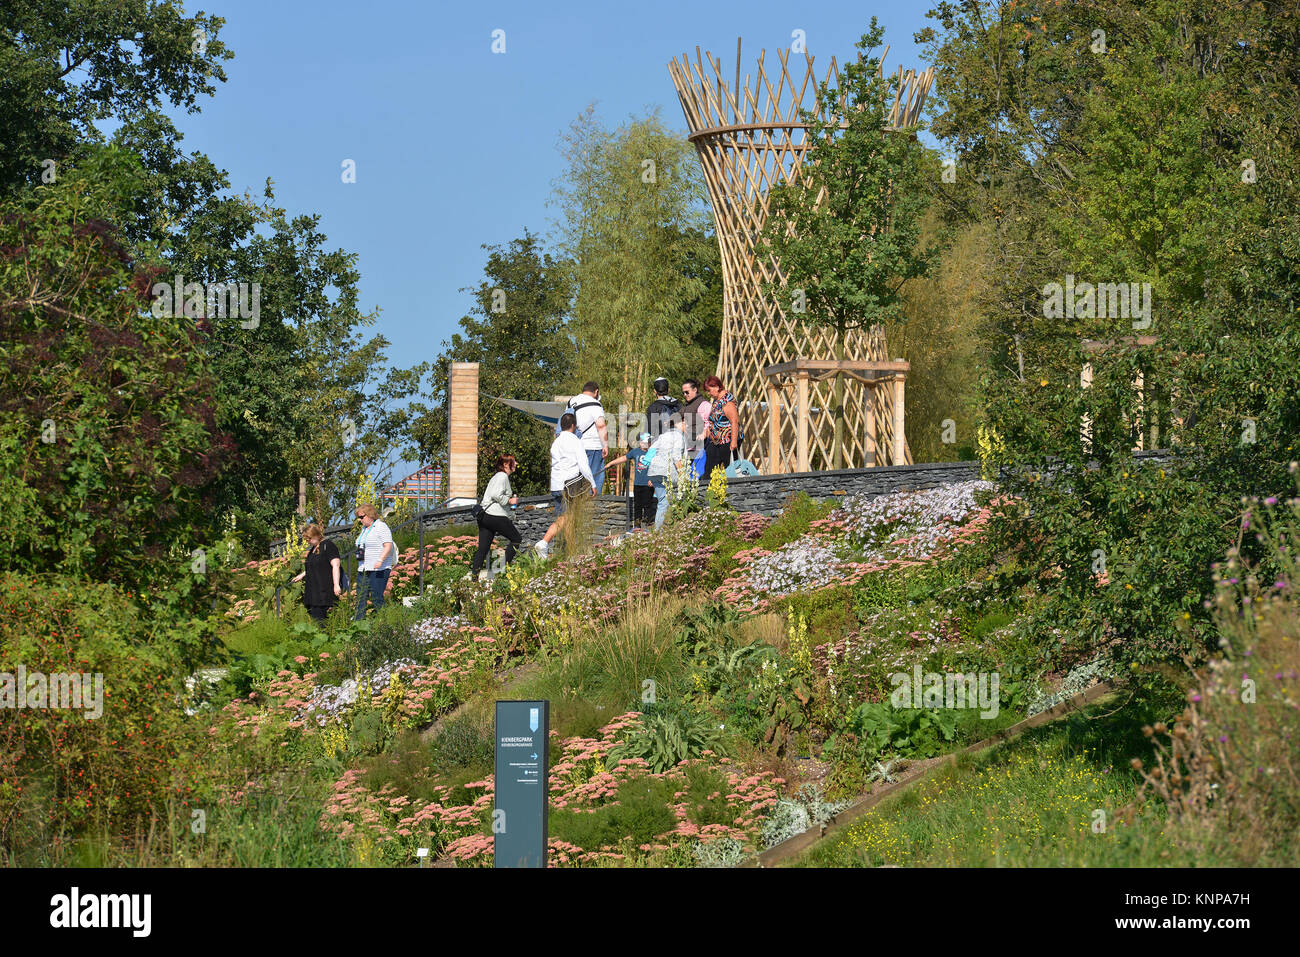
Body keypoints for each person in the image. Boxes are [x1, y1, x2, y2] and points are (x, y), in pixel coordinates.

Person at [535, 411, 597, 558]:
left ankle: (571, 552)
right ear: (573, 426)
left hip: (556, 485)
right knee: (565, 518)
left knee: (567, 518)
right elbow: (583, 465)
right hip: (569, 485)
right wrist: (593, 484)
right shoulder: (575, 441)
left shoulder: (556, 442)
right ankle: (544, 542)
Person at [471, 454, 523, 580]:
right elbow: (496, 495)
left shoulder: (496, 477)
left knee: (482, 549)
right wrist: (510, 501)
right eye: (513, 462)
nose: (516, 464)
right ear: (506, 465)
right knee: (516, 539)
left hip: (484, 516)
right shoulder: (502, 476)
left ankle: (473, 581)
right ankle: (502, 572)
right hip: (494, 515)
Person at [646, 413, 689, 530]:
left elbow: (651, 450)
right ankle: (662, 532)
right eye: (684, 422)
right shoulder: (679, 436)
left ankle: (658, 530)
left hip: (654, 471)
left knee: (662, 502)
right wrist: (683, 475)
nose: (687, 425)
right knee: (669, 502)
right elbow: (676, 456)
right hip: (667, 472)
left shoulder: (663, 435)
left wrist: (649, 471)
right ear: (677, 423)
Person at [291, 524, 343, 622]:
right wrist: (302, 575)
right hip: (313, 592)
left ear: (316, 535)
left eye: (309, 539)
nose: (308, 542)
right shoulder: (313, 549)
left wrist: (336, 585)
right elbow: (314, 566)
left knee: (325, 621)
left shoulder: (328, 545)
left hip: (324, 591)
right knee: (316, 619)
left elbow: (335, 565)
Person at [353, 503, 395, 619]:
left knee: (376, 597)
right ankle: (358, 625)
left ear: (370, 515)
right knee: (361, 598)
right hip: (364, 568)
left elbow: (388, 545)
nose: (360, 520)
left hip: (378, 568)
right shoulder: (364, 529)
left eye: (362, 517)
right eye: (358, 518)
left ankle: (384, 622)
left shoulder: (381, 526)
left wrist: (380, 560)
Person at [567, 381, 608, 493]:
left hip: (574, 445)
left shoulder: (571, 402)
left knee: (576, 478)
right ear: (596, 392)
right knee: (593, 477)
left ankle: (575, 504)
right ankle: (592, 505)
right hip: (592, 446)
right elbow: (601, 425)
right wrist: (605, 445)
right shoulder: (595, 404)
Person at [702, 375, 741, 481]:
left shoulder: (727, 402)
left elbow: (734, 421)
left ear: (717, 387)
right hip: (715, 442)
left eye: (709, 390)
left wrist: (733, 442)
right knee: (709, 469)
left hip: (727, 441)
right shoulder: (716, 400)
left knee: (731, 468)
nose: (708, 393)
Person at [624, 433, 655, 529]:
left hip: (648, 483)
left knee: (647, 505)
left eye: (649, 442)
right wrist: (610, 464)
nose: (648, 444)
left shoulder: (653, 452)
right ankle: (637, 525)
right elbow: (625, 458)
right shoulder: (635, 452)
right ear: (641, 443)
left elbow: (658, 466)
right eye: (646, 442)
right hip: (637, 483)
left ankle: (648, 525)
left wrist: (653, 479)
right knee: (637, 505)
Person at [646, 376, 681, 442]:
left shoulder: (653, 407)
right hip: (678, 442)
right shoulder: (678, 404)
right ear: (669, 389)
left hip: (661, 444)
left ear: (655, 391)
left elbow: (651, 431)